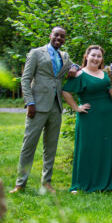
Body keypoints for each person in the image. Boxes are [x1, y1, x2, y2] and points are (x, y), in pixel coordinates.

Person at [10, 26, 76, 194]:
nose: (59, 38)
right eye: (56, 35)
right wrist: (30, 103)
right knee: (29, 145)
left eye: (62, 36)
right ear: (50, 35)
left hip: (56, 106)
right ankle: (20, 184)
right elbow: (25, 79)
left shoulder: (64, 56)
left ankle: (46, 182)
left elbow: (73, 66)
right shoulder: (36, 53)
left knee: (51, 147)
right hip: (37, 106)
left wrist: (74, 68)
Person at [62, 45, 112, 193]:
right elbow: (66, 91)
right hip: (89, 118)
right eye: (93, 55)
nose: (95, 58)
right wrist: (77, 107)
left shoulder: (107, 73)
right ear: (87, 56)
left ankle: (106, 182)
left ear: (102, 59)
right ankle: (83, 183)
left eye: (99, 56)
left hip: (107, 116)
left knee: (105, 149)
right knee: (88, 149)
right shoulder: (80, 74)